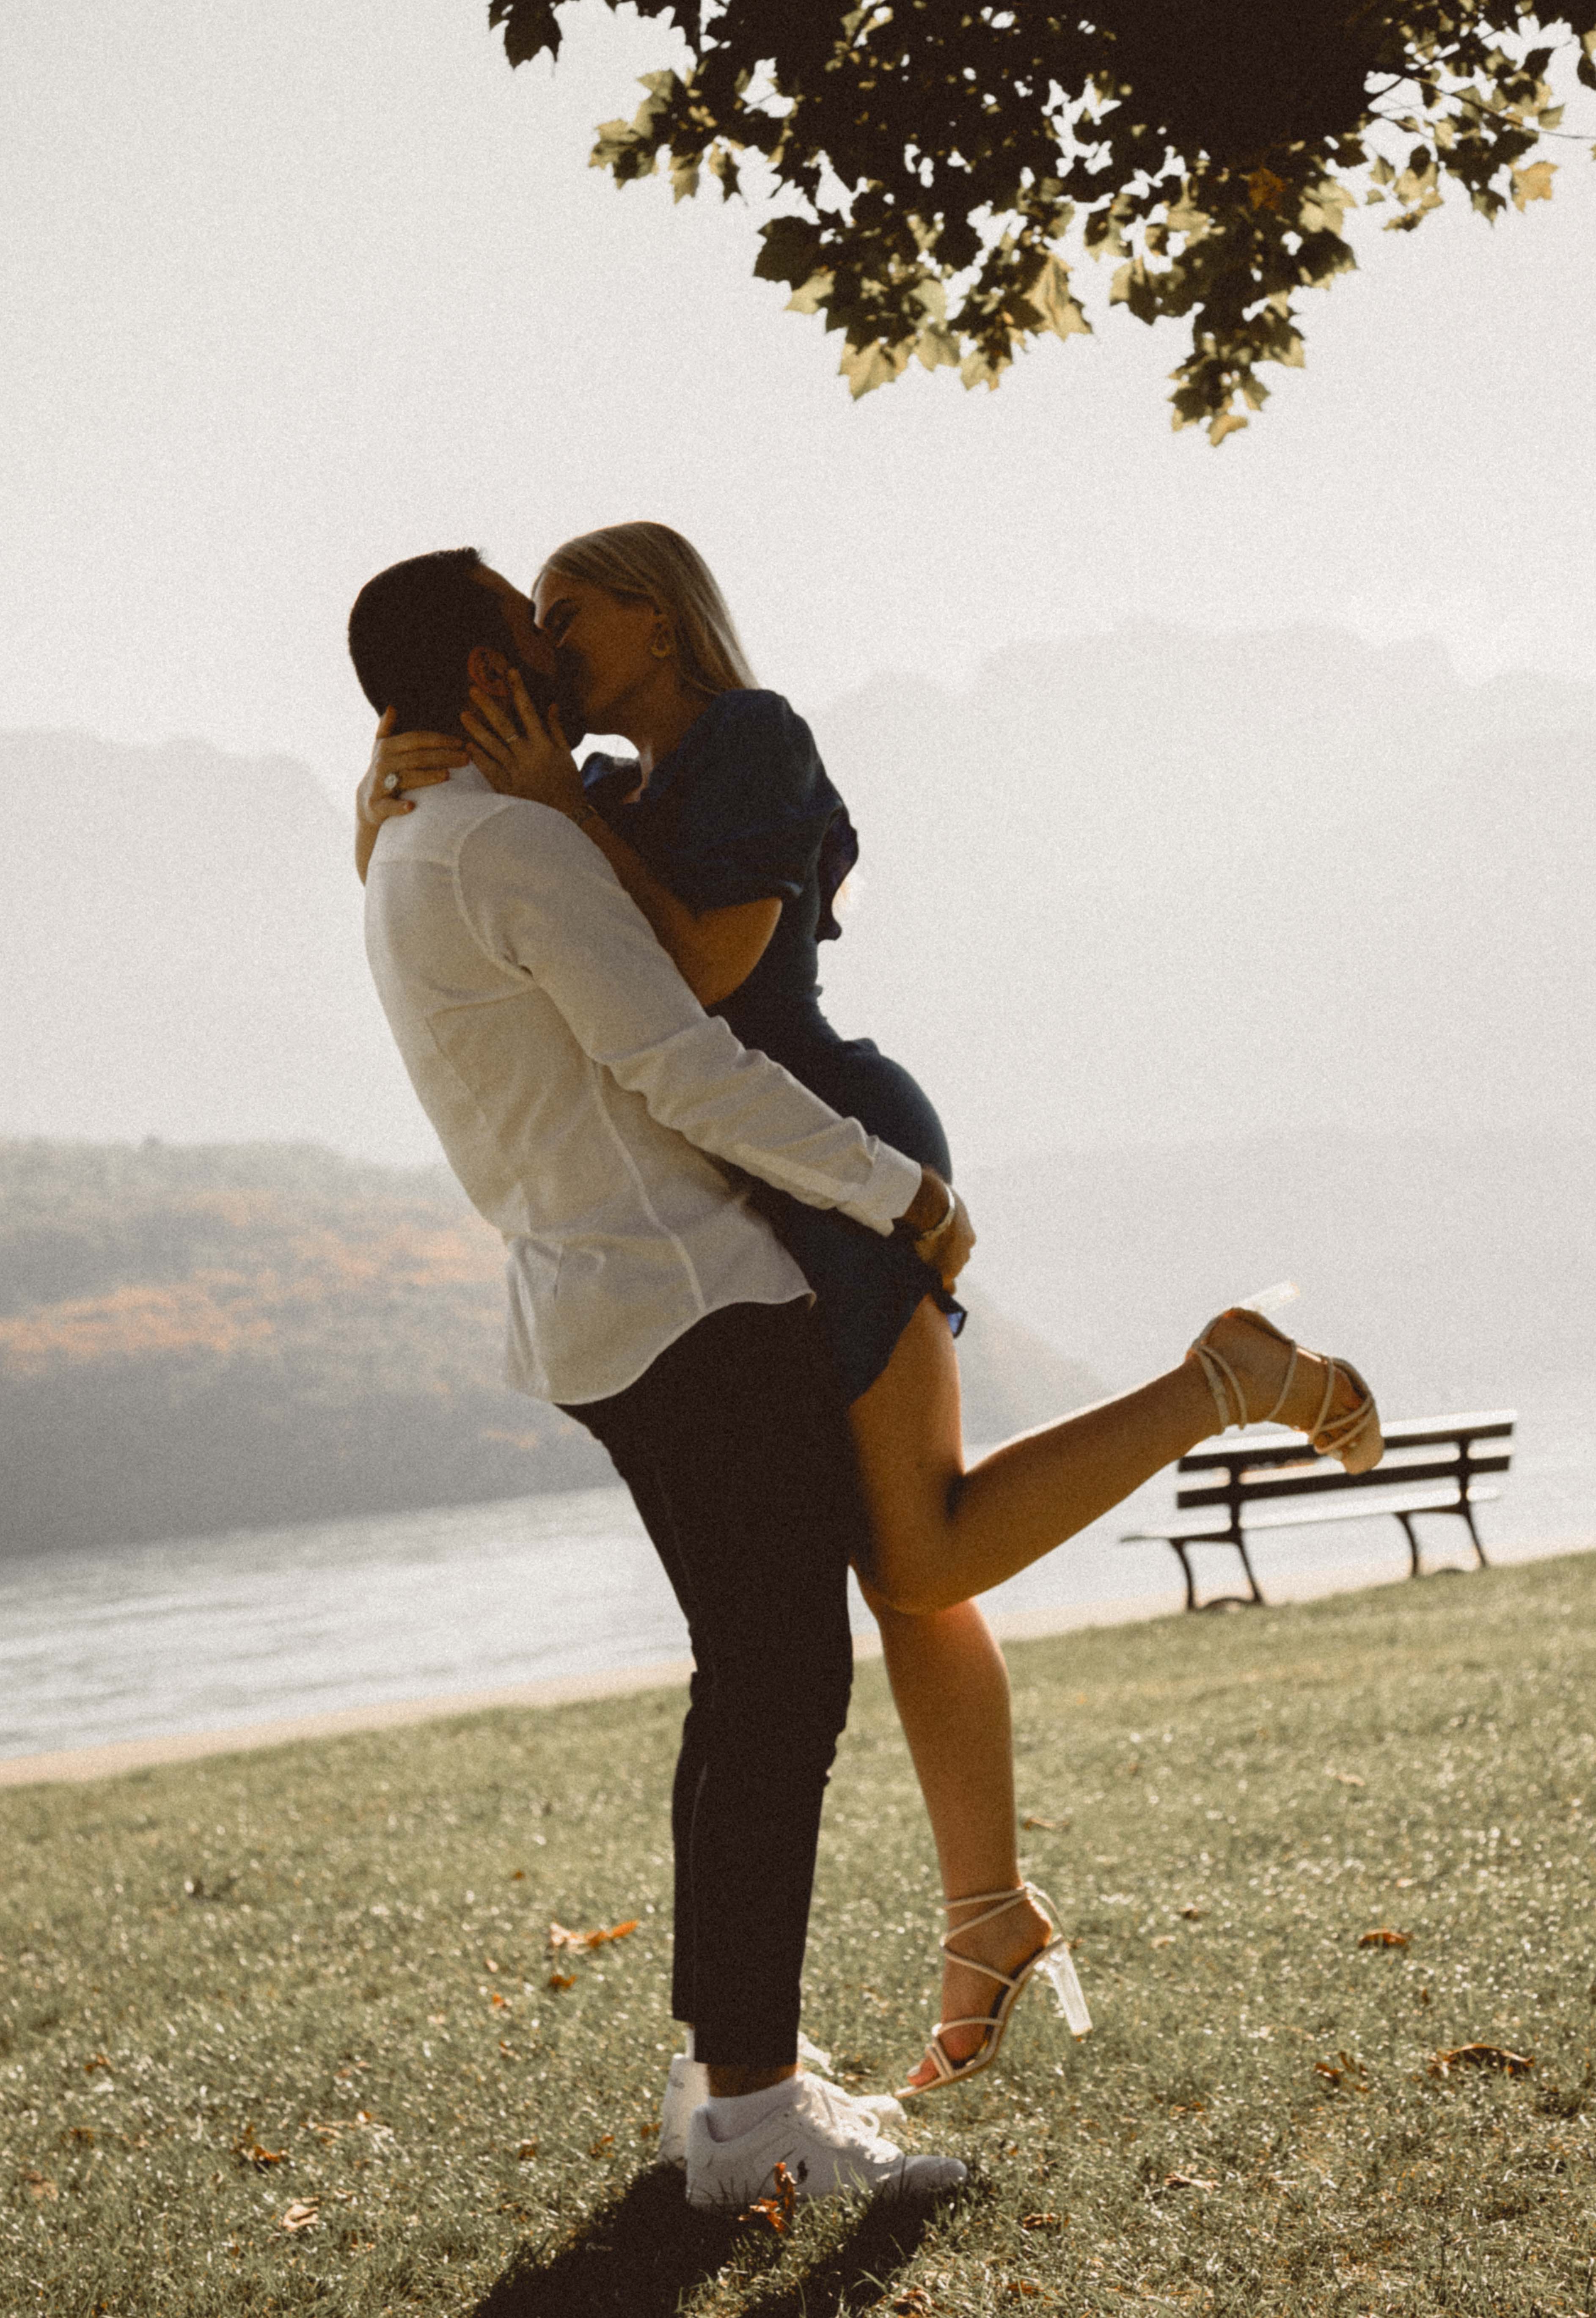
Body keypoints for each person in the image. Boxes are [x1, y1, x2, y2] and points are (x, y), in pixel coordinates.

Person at [358, 522, 1384, 2100]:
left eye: (571, 614)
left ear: (655, 615)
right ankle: (986, 1917)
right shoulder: (615, 792)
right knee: (914, 1576)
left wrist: (553, 806)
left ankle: (1221, 1381)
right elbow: (528, 897)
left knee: (920, 1553)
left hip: (836, 1145)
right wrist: (401, 802)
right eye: (534, 623)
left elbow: (700, 970)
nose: (552, 646)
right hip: (770, 1181)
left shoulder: (747, 742)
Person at [348, 547, 969, 2211]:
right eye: (519, 619)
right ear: (484, 674)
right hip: (695, 1302)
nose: (546, 643)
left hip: (594, 1314)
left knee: (745, 1684)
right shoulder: (517, 840)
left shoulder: (407, 851)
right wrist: (893, 1187)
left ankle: (728, 2074)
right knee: (783, 1692)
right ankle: (756, 2114)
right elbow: (681, 1060)